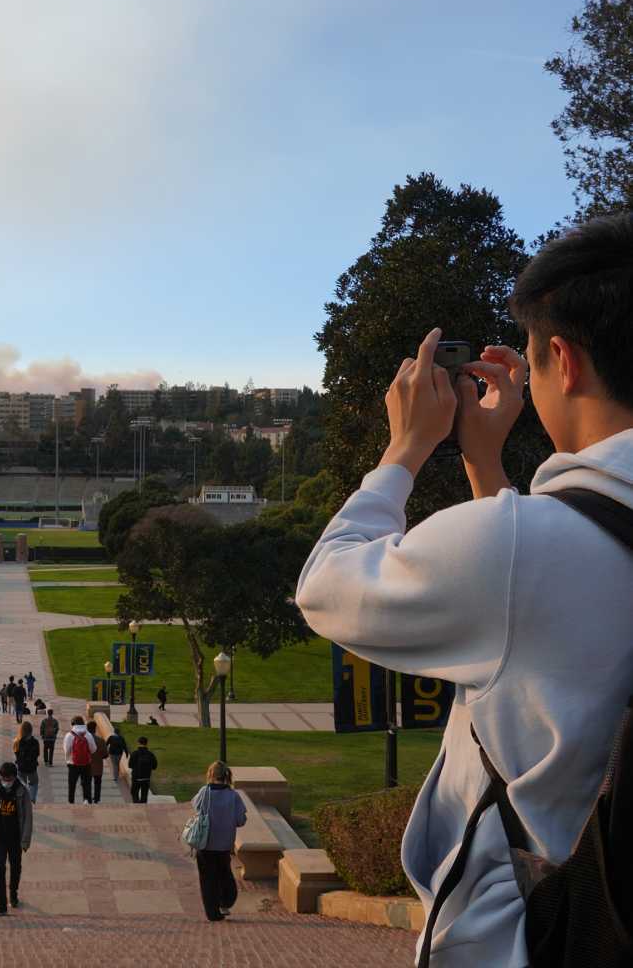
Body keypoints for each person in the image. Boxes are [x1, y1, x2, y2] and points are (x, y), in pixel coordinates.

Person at [295, 221, 633, 967]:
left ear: (563, 361)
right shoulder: (529, 543)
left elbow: (326, 588)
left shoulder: (517, 546)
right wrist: (487, 469)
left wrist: (403, 449)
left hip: (545, 933)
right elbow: (535, 620)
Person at [192, 761, 246, 921]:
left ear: (211, 774)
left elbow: (196, 807)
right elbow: (240, 820)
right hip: (224, 845)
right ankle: (225, 900)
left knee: (207, 878)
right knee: (224, 874)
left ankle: (212, 911)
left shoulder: (204, 792)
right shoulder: (233, 795)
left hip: (205, 842)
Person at [0, 761, 33, 917]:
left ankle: (13, 894)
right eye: (3, 778)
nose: (5, 781)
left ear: (14, 776)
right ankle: (2, 905)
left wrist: (25, 840)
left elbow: (27, 818)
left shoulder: (22, 791)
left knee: (15, 867)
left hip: (15, 838)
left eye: (8, 778)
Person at [63, 715, 94, 804]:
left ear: (73, 724)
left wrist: (68, 759)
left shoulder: (69, 735)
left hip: (73, 764)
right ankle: (87, 800)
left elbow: (67, 750)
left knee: (72, 784)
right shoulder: (88, 734)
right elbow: (93, 749)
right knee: (86, 784)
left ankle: (71, 801)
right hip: (86, 763)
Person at [12, 720, 40, 801]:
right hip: (32, 767)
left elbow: (15, 753)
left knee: (21, 784)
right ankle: (32, 799)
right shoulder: (35, 742)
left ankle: (22, 799)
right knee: (34, 783)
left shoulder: (17, 741)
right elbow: (37, 754)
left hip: (21, 767)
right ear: (31, 730)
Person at [127, 736, 158, 803]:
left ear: (138, 743)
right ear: (147, 743)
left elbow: (130, 765)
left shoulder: (135, 753)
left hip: (136, 777)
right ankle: (143, 808)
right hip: (146, 778)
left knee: (134, 793)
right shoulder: (150, 754)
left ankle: (137, 806)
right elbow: (155, 766)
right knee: (144, 795)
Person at [86, 721, 108, 803]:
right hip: (98, 766)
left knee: (87, 783)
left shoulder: (84, 740)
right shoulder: (101, 740)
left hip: (86, 766)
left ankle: (88, 798)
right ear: (95, 729)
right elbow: (105, 755)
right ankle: (97, 798)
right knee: (97, 783)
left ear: (87, 729)